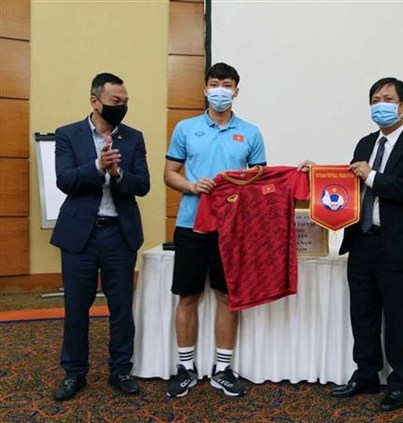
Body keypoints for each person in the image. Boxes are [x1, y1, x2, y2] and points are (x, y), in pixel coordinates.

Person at [308, 77, 403, 412]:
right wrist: (317, 174)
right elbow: (351, 182)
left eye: (388, 98)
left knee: (399, 317)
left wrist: (373, 177)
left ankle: (400, 381)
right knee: (362, 314)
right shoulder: (366, 142)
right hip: (363, 239)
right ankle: (366, 373)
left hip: (399, 245)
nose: (380, 104)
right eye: (375, 99)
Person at [164, 62, 266, 398]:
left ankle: (223, 369)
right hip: (191, 225)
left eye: (226, 84)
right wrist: (192, 186)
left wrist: (240, 190)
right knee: (188, 296)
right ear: (205, 88)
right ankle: (185, 368)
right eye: (214, 83)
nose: (220, 89)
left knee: (226, 296)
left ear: (236, 91)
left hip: (232, 229)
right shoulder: (186, 128)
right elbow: (170, 174)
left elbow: (260, 181)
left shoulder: (250, 132)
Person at [51, 72, 150, 400]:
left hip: (118, 236)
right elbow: (64, 180)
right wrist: (97, 166)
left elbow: (143, 185)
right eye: (114, 102)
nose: (121, 107)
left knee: (121, 307)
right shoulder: (68, 135)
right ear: (95, 101)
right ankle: (74, 373)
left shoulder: (133, 138)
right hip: (80, 235)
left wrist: (117, 172)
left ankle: (120, 368)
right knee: (76, 307)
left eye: (125, 102)